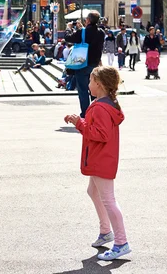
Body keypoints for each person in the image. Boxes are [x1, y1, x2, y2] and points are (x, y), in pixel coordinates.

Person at [64, 66, 130, 261]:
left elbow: (100, 134)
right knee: (93, 192)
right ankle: (106, 232)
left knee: (108, 199)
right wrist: (81, 121)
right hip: (100, 157)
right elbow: (98, 128)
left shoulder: (101, 106)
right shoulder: (104, 103)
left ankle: (121, 242)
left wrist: (80, 124)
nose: (88, 84)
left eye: (91, 81)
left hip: (101, 158)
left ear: (99, 85)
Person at [66, 11, 106, 118]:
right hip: (95, 65)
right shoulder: (101, 32)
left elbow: (68, 38)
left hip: (82, 64)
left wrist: (68, 28)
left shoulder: (82, 32)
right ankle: (97, 110)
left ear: (88, 20)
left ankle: (86, 113)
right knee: (96, 89)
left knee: (83, 90)